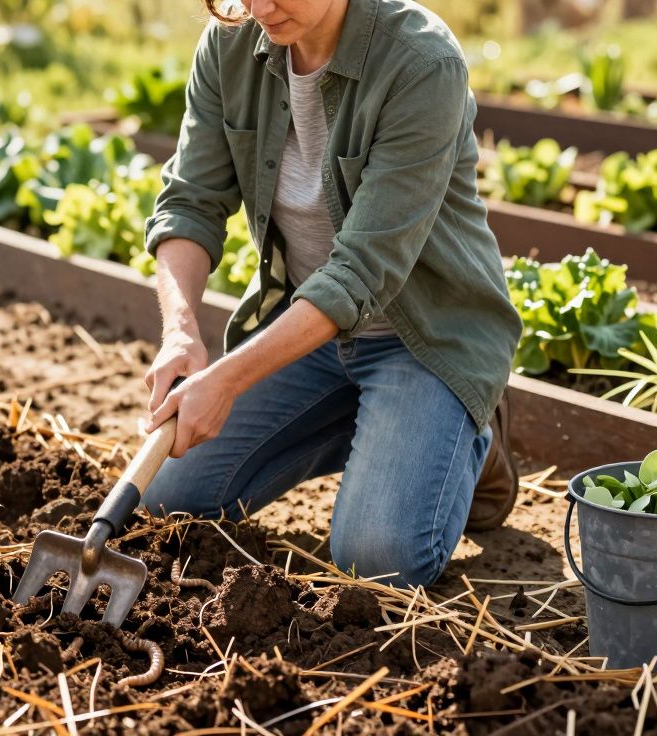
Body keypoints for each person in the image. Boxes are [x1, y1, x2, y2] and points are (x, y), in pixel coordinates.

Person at [140, 0, 524, 588]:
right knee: (169, 504)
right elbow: (190, 203)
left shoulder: (423, 63)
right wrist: (181, 333)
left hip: (422, 343)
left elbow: (359, 272)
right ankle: (381, 426)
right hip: (309, 340)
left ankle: (466, 428)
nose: (258, 7)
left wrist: (227, 379)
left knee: (375, 562)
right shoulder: (232, 41)